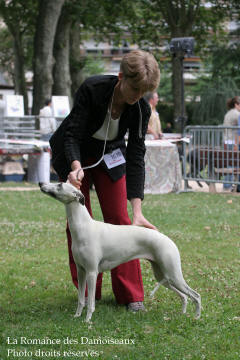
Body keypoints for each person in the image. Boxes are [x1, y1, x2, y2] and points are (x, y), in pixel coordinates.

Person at [50, 50, 160, 312]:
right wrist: (76, 168)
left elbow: (135, 155)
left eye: (143, 92)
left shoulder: (140, 108)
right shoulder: (93, 88)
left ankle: (131, 295)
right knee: (78, 221)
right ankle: (87, 291)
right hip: (74, 154)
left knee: (120, 220)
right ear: (121, 77)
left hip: (110, 155)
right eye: (134, 89)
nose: (136, 97)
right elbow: (72, 134)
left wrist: (138, 210)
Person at [223, 96, 240, 191]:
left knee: (229, 163)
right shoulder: (236, 114)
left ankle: (227, 185)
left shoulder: (228, 113)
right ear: (236, 104)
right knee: (233, 163)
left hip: (226, 140)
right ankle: (229, 185)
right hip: (233, 141)